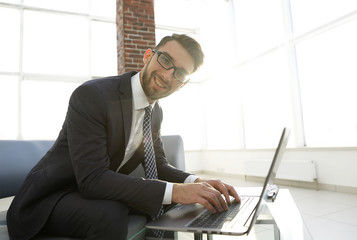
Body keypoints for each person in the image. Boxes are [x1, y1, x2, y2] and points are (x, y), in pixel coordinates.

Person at [6, 34, 240, 240]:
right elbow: (93, 179)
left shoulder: (155, 112)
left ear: (182, 85)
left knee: (170, 199)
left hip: (87, 194)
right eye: (166, 60)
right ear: (148, 55)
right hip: (49, 199)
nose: (168, 75)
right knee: (112, 213)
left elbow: (157, 165)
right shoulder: (93, 96)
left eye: (179, 73)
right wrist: (176, 190)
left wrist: (194, 183)